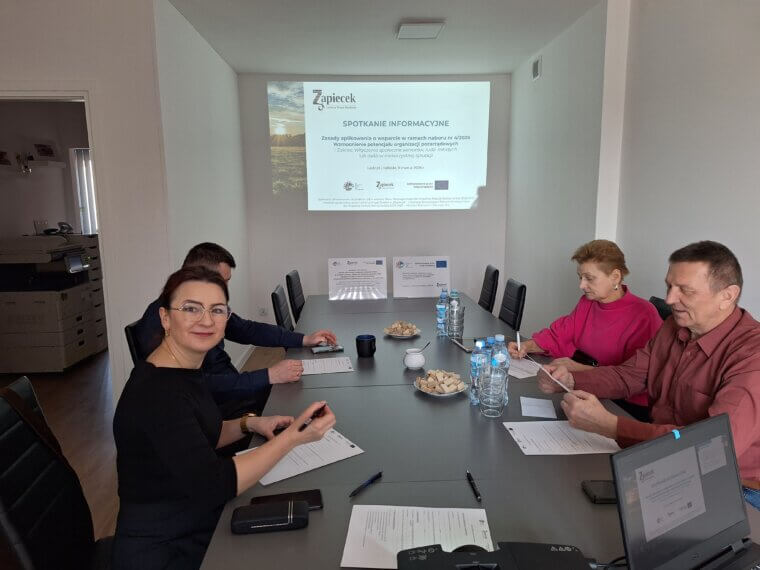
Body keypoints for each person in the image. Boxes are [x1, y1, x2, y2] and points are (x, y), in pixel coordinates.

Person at [112, 266, 336, 569]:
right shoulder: (158, 394)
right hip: (168, 547)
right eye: (191, 308)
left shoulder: (183, 371)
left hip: (194, 518)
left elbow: (209, 434)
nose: (206, 320)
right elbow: (215, 485)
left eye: (217, 310)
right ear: (165, 318)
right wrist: (293, 439)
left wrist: (250, 423)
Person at [537, 241, 760, 510]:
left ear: (727, 295)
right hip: (661, 459)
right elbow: (629, 376)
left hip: (734, 484)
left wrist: (612, 426)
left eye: (685, 290)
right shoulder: (673, 326)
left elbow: (713, 447)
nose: (670, 300)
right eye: (669, 287)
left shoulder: (752, 356)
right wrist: (569, 380)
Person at [133, 243, 336, 417]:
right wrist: (269, 375)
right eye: (222, 282)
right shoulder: (161, 323)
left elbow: (247, 330)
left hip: (233, 390)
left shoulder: (206, 306)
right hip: (216, 408)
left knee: (308, 399)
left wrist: (303, 339)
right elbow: (194, 386)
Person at [508, 240, 662, 421]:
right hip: (585, 391)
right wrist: (527, 346)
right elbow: (560, 334)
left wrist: (579, 369)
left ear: (615, 277)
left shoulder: (644, 314)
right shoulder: (588, 302)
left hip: (625, 407)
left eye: (589, 278)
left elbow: (632, 378)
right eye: (580, 277)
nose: (581, 285)